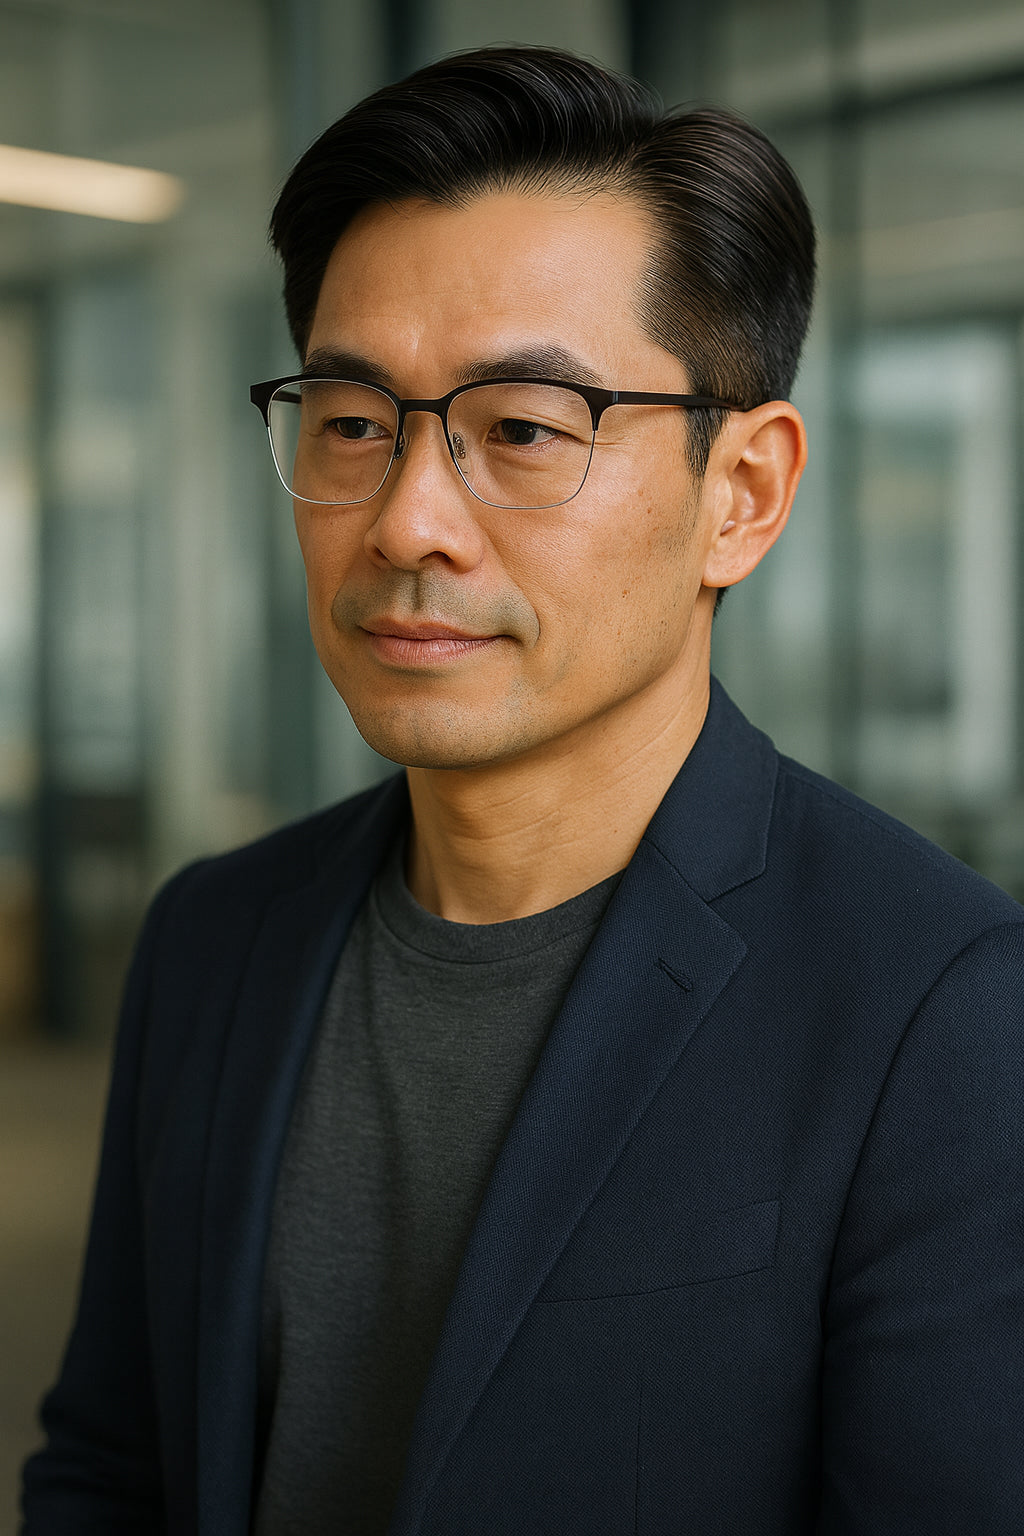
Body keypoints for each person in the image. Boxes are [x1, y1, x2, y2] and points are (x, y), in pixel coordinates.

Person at [21, 44, 1024, 1536]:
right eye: (354, 423)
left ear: (739, 495)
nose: (410, 518)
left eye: (525, 433)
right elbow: (112, 1466)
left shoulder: (938, 1001)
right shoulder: (213, 940)